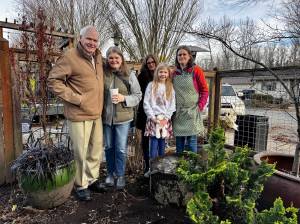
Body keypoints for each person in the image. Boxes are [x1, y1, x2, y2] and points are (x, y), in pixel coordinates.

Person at [48, 25, 105, 201]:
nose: (92, 43)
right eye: (89, 39)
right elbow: (53, 81)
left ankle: (92, 178)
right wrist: (76, 99)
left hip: (96, 112)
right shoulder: (70, 57)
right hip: (79, 114)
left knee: (95, 150)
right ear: (80, 38)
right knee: (80, 152)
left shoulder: (97, 57)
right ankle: (81, 184)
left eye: (95, 40)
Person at [102, 46, 142, 190]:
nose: (113, 60)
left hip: (123, 119)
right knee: (108, 147)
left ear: (121, 59)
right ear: (107, 59)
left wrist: (123, 98)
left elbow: (138, 95)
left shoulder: (129, 74)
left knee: (120, 149)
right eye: (111, 58)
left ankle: (120, 175)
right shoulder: (103, 74)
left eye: (116, 58)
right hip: (106, 118)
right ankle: (110, 174)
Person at [172, 45, 209, 153]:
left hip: (192, 111)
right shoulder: (174, 73)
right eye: (179, 55)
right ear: (177, 57)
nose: (182, 56)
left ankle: (192, 167)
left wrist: (200, 106)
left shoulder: (196, 70)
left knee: (192, 140)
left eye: (184, 54)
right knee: (179, 141)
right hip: (178, 112)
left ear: (189, 56)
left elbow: (205, 91)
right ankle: (179, 166)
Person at [143, 63, 175, 175]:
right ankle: (152, 168)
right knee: (153, 144)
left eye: (165, 72)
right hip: (154, 119)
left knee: (162, 144)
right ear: (157, 72)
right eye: (160, 72)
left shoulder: (170, 86)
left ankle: (161, 168)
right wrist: (152, 117)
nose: (163, 74)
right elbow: (146, 103)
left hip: (165, 120)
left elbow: (172, 105)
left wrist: (166, 118)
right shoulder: (151, 85)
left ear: (168, 74)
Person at [136, 54, 158, 174]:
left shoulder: (161, 74)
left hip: (159, 112)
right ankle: (147, 165)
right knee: (145, 140)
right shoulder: (142, 76)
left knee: (158, 139)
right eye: (148, 63)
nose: (151, 65)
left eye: (153, 62)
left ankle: (157, 165)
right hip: (145, 112)